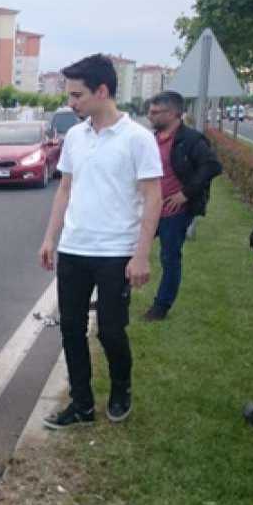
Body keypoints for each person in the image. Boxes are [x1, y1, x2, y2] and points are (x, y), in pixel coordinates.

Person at [38, 54, 163, 428]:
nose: (70, 103)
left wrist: (141, 255)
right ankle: (81, 405)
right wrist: (50, 238)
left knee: (110, 330)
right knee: (71, 329)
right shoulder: (75, 136)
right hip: (74, 249)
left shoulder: (137, 139)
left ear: (102, 91)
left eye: (77, 95)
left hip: (115, 253)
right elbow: (65, 190)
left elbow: (153, 197)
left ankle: (121, 388)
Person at [143, 91, 222, 321]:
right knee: (129, 247)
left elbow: (212, 166)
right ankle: (117, 294)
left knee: (169, 257)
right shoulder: (151, 138)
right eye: (150, 110)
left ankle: (161, 307)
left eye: (156, 112)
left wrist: (185, 194)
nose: (150, 115)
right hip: (150, 207)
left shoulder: (191, 140)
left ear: (175, 113)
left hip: (174, 211)